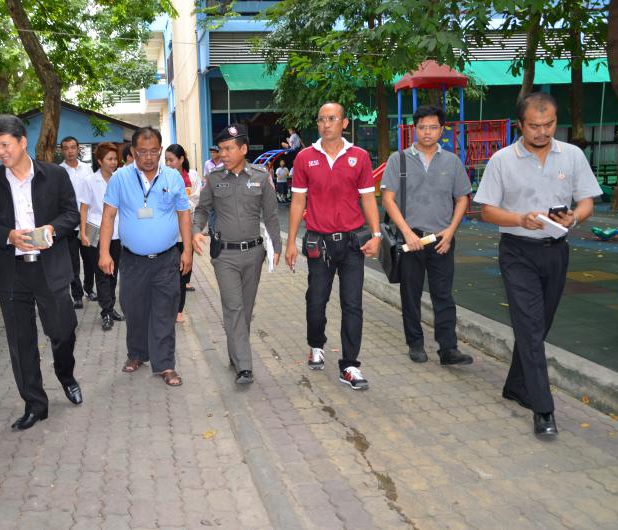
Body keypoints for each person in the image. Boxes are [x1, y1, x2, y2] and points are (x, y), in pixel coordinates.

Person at [473, 92, 602, 438]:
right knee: (530, 327)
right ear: (520, 125)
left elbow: (587, 201)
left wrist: (575, 217)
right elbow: (486, 210)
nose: (542, 132)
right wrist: (519, 219)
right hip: (517, 252)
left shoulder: (572, 155)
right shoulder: (502, 160)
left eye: (549, 124)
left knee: (538, 325)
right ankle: (543, 409)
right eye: (534, 126)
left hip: (556, 250)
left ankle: (516, 385)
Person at [0, 115, 83, 431]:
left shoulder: (55, 175)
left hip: (50, 268)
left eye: (5, 145)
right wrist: (8, 235)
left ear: (22, 142)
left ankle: (66, 374)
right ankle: (35, 404)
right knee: (21, 343)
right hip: (12, 271)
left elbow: (71, 214)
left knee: (63, 331)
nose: (0, 152)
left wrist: (52, 230)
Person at [285, 102, 381, 390]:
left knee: (353, 304)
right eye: (321, 119)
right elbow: (298, 201)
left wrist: (376, 235)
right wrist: (291, 242)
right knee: (316, 301)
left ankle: (349, 365)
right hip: (319, 243)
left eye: (332, 119)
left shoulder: (359, 156)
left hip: (352, 244)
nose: (326, 124)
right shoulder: (304, 158)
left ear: (344, 123)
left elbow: (368, 198)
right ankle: (316, 345)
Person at [98, 127, 193, 387]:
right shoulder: (120, 178)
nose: (148, 157)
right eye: (142, 152)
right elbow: (108, 216)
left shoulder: (173, 177)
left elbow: (184, 214)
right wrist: (104, 252)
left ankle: (165, 364)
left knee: (165, 311)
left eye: (153, 152)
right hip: (132, 260)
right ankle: (137, 354)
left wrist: (187, 250)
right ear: (133, 151)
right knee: (134, 309)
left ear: (160, 151)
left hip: (166, 259)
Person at [382, 105, 474, 366]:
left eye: (433, 127)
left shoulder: (452, 162)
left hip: (442, 239)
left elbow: (462, 198)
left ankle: (448, 349)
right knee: (410, 295)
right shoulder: (398, 159)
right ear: (415, 129)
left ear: (442, 130)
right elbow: (388, 199)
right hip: (411, 240)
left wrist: (451, 231)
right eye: (422, 127)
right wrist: (407, 233)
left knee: (443, 295)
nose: (427, 132)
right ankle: (416, 344)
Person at [193, 124, 282, 384]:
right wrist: (196, 230)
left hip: (254, 254)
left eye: (228, 149)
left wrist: (277, 247)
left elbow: (271, 215)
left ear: (243, 149)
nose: (223, 154)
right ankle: (244, 366)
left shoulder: (261, 177)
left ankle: (236, 353)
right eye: (221, 149)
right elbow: (202, 209)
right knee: (234, 308)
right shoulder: (214, 178)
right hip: (225, 256)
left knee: (245, 309)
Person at [78, 142, 125, 331]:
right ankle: (106, 311)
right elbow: (84, 208)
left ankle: (110, 307)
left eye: (115, 159)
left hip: (117, 232)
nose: (114, 162)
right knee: (102, 273)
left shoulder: (119, 179)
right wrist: (83, 233)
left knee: (113, 272)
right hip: (95, 230)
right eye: (110, 159)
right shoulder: (89, 181)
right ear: (100, 161)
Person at [165, 143, 202, 323]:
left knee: (181, 272)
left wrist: (180, 204)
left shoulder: (192, 176)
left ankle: (179, 310)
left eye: (171, 160)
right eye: (166, 160)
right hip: (167, 232)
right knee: (168, 273)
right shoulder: (162, 177)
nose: (168, 164)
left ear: (181, 159)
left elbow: (195, 199)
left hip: (185, 231)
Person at [59, 136, 96, 307]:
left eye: (73, 147)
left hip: (88, 222)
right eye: (66, 148)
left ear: (78, 148)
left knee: (90, 259)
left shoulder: (87, 169)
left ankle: (89, 289)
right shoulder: (58, 171)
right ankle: (77, 295)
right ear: (62, 151)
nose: (70, 151)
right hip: (69, 224)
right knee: (72, 261)